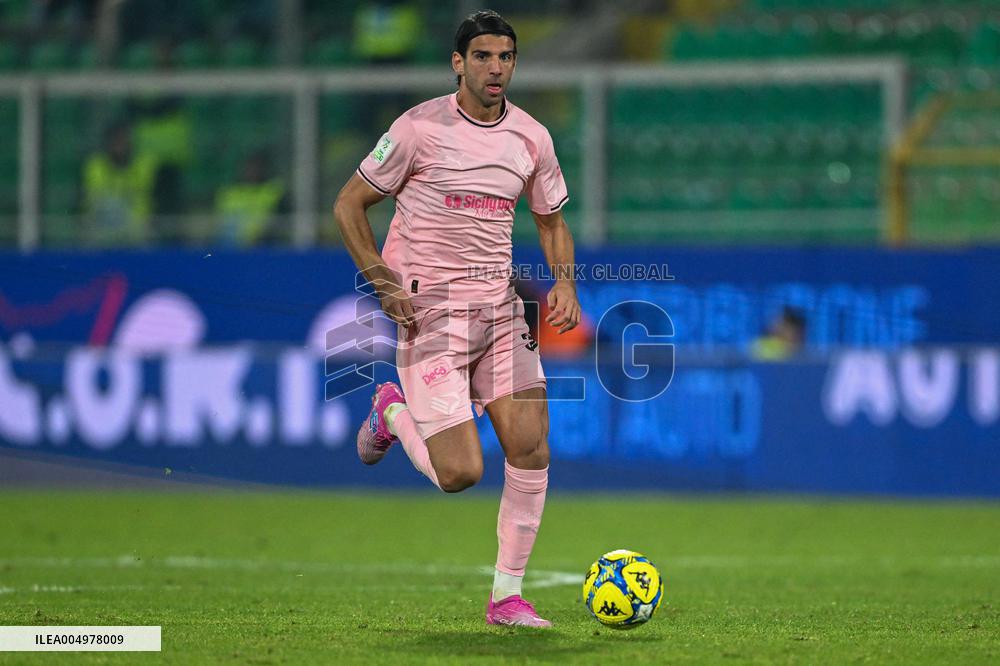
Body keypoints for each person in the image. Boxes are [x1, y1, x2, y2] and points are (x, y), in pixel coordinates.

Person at [333, 10, 581, 628]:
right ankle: (392, 411)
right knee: (461, 472)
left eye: (506, 57)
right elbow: (349, 204)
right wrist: (382, 280)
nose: (496, 68)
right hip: (431, 315)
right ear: (458, 63)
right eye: (483, 57)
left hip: (499, 308)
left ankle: (507, 598)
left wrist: (565, 283)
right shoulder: (416, 129)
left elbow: (551, 221)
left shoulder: (532, 137)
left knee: (530, 444)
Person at [81, 120, 159, 246]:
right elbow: (90, 201)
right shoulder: (95, 166)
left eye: (123, 140)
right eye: (115, 140)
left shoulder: (145, 165)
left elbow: (156, 201)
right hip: (102, 232)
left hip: (138, 234)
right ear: (107, 142)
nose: (119, 145)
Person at [214, 149, 289, 246]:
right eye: (249, 167)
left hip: (264, 244)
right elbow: (219, 223)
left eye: (256, 167)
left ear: (264, 169)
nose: (252, 171)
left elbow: (280, 222)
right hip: (230, 244)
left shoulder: (274, 190)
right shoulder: (228, 193)